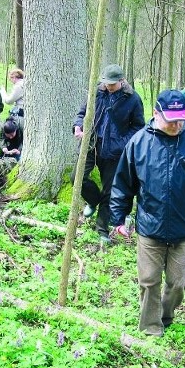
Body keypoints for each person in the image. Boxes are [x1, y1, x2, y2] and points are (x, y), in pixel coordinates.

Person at [110, 89, 185, 337]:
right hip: (150, 226)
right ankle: (151, 328)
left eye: (180, 118)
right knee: (149, 281)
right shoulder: (139, 142)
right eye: (171, 119)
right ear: (156, 113)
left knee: (178, 283)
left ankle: (166, 314)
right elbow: (123, 183)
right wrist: (118, 217)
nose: (176, 124)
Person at [71, 63, 145, 244]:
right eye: (106, 83)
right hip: (91, 144)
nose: (108, 87)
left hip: (114, 152)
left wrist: (121, 144)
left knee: (109, 191)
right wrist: (78, 125)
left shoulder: (133, 99)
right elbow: (82, 113)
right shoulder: (97, 92)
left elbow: (138, 128)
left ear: (122, 81)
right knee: (77, 178)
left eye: (112, 84)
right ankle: (92, 200)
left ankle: (102, 230)